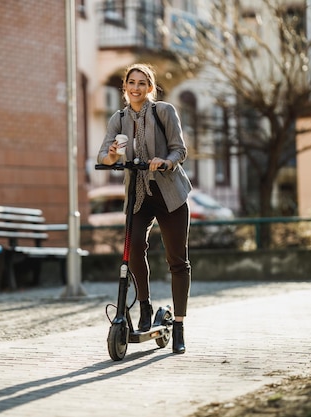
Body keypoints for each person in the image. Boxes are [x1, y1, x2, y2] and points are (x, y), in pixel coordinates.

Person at [97, 63, 193, 354]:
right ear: (125, 88)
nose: (136, 88)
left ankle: (178, 326)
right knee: (133, 247)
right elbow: (104, 155)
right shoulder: (119, 118)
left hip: (169, 194)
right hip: (138, 195)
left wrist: (165, 161)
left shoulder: (163, 111)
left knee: (177, 260)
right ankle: (145, 306)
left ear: (150, 88)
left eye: (142, 83)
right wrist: (113, 154)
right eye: (131, 83)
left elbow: (180, 149)